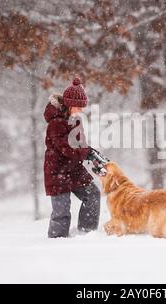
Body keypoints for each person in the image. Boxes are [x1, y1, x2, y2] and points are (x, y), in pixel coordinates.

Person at [43, 77, 106, 238]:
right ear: (68, 104)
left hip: (75, 170)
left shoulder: (76, 120)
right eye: (77, 107)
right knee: (61, 212)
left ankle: (86, 233)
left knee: (93, 195)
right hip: (57, 173)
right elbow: (67, 148)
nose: (80, 111)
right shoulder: (55, 123)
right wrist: (85, 152)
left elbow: (81, 144)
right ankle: (57, 241)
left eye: (81, 108)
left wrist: (92, 156)